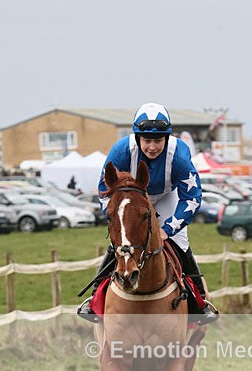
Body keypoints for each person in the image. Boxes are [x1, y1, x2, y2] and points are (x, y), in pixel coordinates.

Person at [82, 102, 218, 323]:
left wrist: (168, 229)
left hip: (167, 197)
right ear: (137, 138)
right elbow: (104, 192)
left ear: (167, 138)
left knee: (180, 242)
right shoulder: (121, 152)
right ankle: (95, 298)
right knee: (122, 242)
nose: (152, 147)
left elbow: (192, 198)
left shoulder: (179, 156)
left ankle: (199, 302)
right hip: (132, 200)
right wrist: (120, 220)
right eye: (147, 140)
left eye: (158, 140)